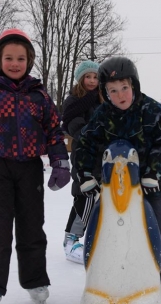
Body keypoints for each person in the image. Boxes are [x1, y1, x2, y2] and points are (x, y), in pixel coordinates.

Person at [0, 28, 70, 304]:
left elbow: (54, 132)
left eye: (20, 58)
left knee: (32, 227)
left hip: (30, 169)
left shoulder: (40, 96)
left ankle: (35, 281)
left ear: (29, 61)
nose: (14, 63)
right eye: (9, 57)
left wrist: (60, 162)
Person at [74, 56, 161, 304]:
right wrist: (85, 174)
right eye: (113, 90)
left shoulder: (152, 110)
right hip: (115, 186)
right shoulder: (102, 115)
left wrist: (153, 172)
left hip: (148, 184)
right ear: (105, 92)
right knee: (110, 227)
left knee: (156, 225)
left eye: (124, 88)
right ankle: (109, 275)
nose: (120, 95)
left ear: (134, 86)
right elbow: (86, 143)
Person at [61, 60, 103, 264]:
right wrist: (92, 134)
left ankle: (96, 239)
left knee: (101, 199)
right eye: (88, 77)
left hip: (102, 157)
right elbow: (72, 125)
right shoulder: (74, 101)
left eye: (95, 77)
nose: (92, 81)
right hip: (83, 155)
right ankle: (71, 240)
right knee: (85, 196)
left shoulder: (103, 99)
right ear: (81, 79)